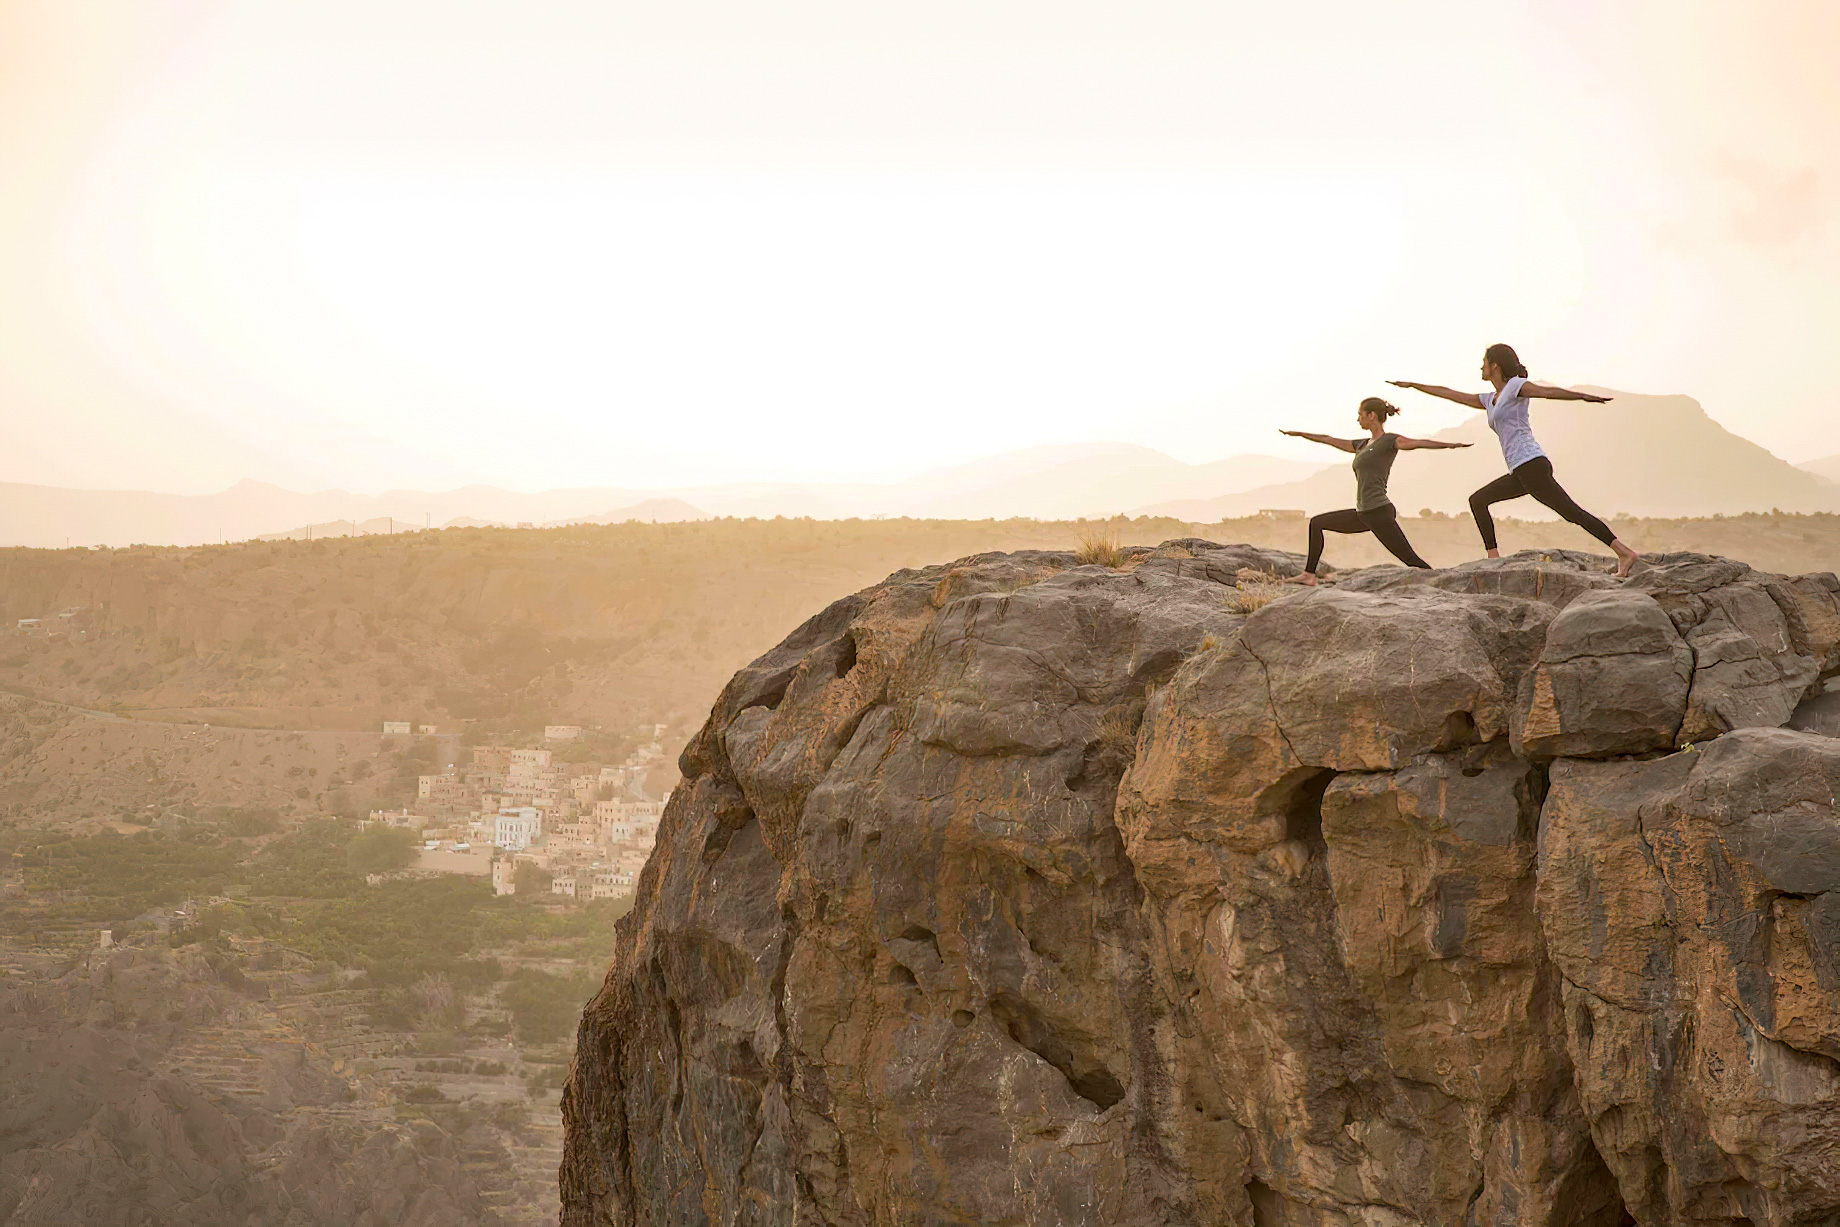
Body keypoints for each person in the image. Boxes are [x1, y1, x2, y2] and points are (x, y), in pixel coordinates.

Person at [1389, 344, 1640, 576]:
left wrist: (1583, 396)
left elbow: (1547, 392)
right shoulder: (1490, 399)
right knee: (1478, 500)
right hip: (1521, 470)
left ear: (1495, 366)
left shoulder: (1516, 387)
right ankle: (1493, 556)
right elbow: (1452, 394)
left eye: (1484, 362)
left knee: (1571, 512)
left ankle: (1624, 552)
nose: (1481, 367)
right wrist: (1414, 385)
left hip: (1531, 464)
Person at [1278, 396, 1470, 586]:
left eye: (1360, 415)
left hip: (1378, 512)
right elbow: (1329, 440)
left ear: (1371, 416)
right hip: (1363, 513)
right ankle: (1308, 575)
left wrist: (1450, 445)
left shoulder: (1389, 441)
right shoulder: (1361, 445)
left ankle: (1447, 584)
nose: (1358, 419)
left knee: (1411, 560)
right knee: (1317, 523)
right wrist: (1299, 434)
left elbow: (1418, 442)